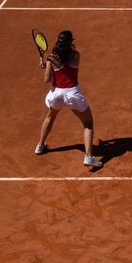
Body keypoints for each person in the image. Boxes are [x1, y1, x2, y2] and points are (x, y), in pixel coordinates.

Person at [34, 30, 102, 169]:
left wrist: (45, 64)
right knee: (88, 124)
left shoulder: (51, 59)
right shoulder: (76, 55)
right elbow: (66, 65)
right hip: (73, 94)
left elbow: (47, 79)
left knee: (50, 117)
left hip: (57, 95)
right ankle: (88, 157)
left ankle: (40, 146)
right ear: (70, 42)